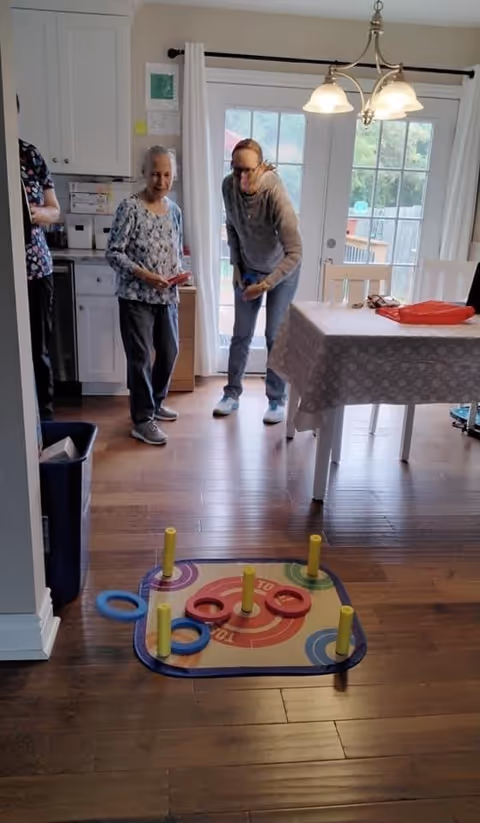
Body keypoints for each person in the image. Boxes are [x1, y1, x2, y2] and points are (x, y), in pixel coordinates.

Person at [214, 138, 302, 425]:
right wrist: (236, 267)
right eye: (236, 169)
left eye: (249, 170)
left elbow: (295, 253)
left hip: (281, 269)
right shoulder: (228, 187)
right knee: (240, 333)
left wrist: (265, 285)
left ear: (262, 167)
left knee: (274, 335)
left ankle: (277, 400)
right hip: (249, 266)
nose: (242, 177)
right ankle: (231, 394)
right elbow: (231, 227)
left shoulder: (274, 193)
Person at [106, 146, 186, 446]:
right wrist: (145, 275)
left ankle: (154, 401)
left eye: (167, 174)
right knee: (139, 359)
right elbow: (113, 253)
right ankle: (142, 420)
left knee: (170, 351)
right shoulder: (129, 208)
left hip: (167, 296)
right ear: (144, 173)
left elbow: (176, 252)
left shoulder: (174, 211)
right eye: (155, 173)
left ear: (173, 176)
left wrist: (180, 274)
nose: (161, 180)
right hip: (135, 296)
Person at [18, 95, 61, 420]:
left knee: (38, 349)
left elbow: (54, 210)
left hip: (35, 271)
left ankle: (44, 420)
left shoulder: (29, 155)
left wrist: (34, 213)